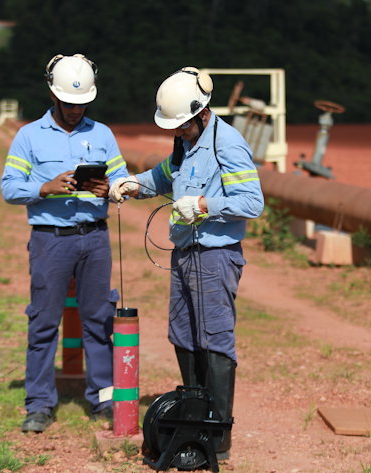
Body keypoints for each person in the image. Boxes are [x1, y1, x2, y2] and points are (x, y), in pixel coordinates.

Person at [108, 67, 263, 460]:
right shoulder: (185, 143)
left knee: (214, 339)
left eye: (181, 126)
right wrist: (133, 184)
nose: (176, 133)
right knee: (183, 334)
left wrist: (205, 205)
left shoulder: (227, 144)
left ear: (201, 113)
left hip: (214, 256)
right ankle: (196, 418)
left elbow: (252, 202)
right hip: (184, 254)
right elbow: (165, 177)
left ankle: (218, 435)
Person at [1, 53, 129, 433]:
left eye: (83, 103)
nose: (76, 110)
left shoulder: (102, 134)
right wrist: (45, 187)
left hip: (95, 239)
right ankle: (39, 405)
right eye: (70, 104)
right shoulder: (28, 136)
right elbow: (8, 187)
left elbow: (123, 178)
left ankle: (103, 400)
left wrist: (114, 188)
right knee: (43, 323)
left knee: (98, 321)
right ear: (54, 96)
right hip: (49, 241)